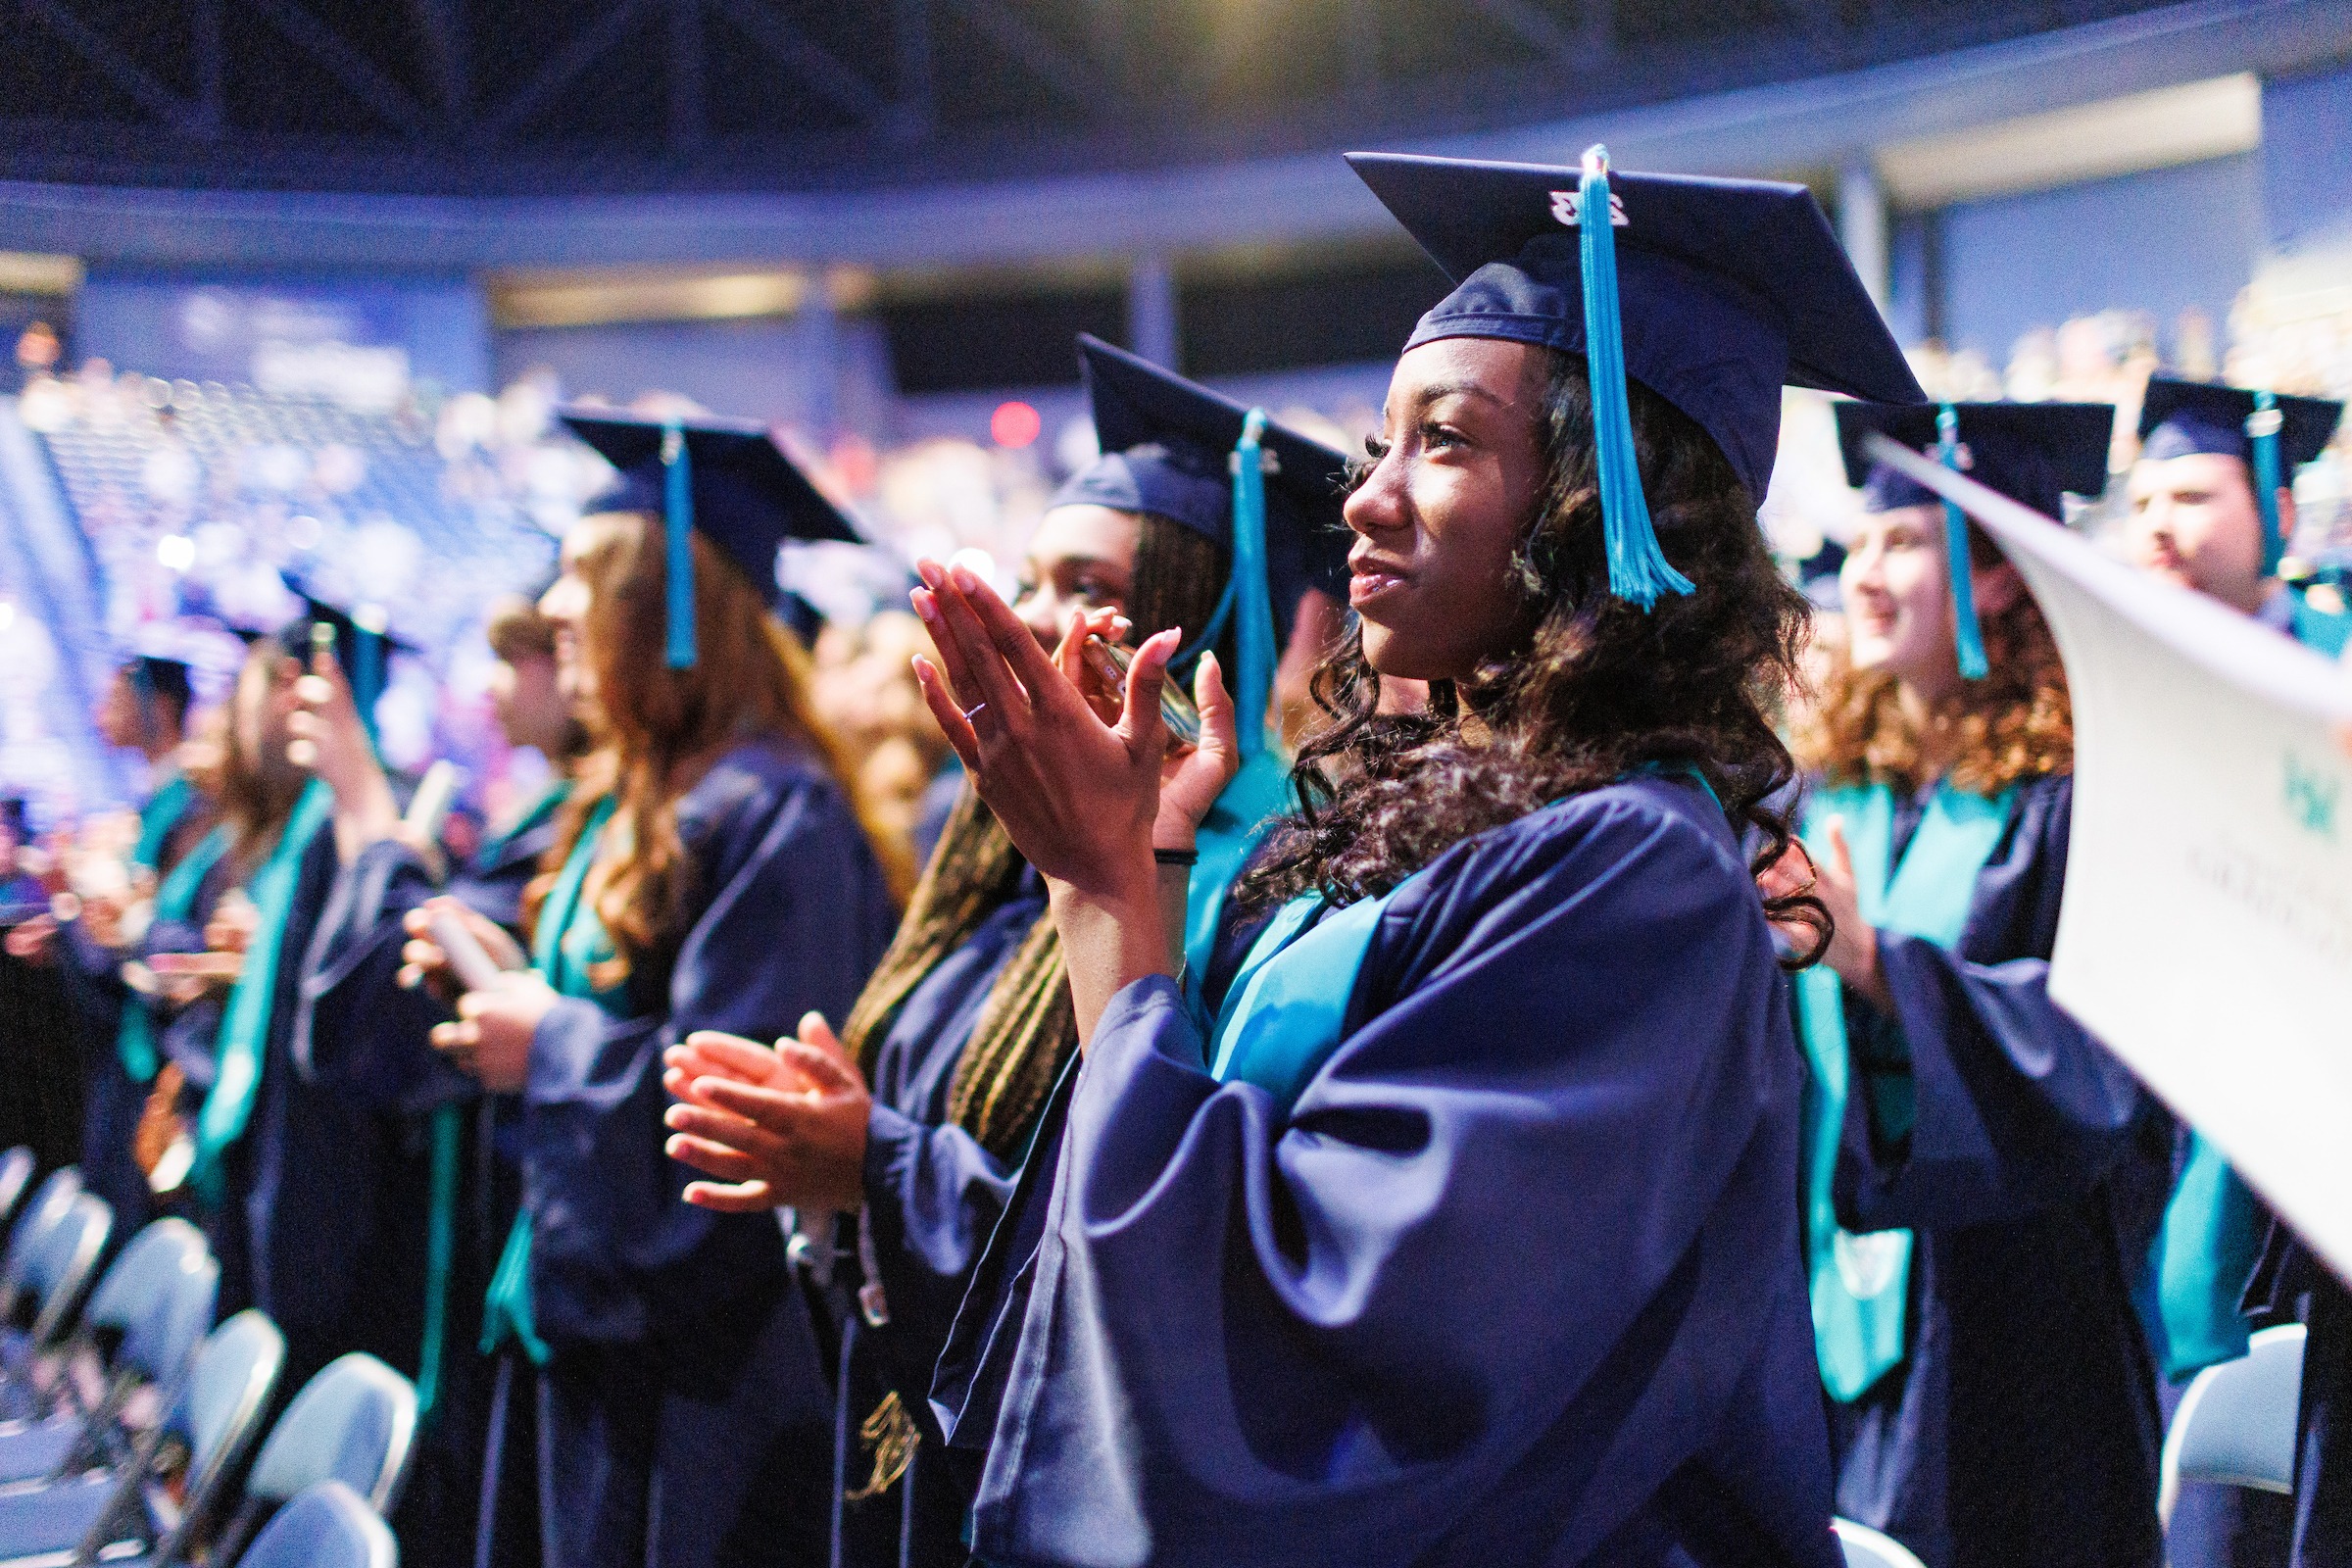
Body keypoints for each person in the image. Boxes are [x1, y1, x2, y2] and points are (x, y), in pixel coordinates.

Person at [896, 147, 1924, 1566]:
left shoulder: (1637, 875)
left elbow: (1334, 1340)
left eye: (1444, 442)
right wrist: (1153, 863)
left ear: (1605, 509)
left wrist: (1103, 890)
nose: (1368, 497)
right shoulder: (1421, 827)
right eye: (1383, 444)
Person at [659, 334, 1351, 1568]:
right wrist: (843, 1150)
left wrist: (873, 1163)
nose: (1030, 617)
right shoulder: (990, 864)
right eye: (1031, 574)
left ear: (1206, 615)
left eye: (1084, 580)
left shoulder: (1263, 898)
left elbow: (1172, 1242)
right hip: (912, 1455)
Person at [403, 410, 905, 1568]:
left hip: (700, 1387)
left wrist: (551, 1042)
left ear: (676, 608)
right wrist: (510, 983)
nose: (559, 609)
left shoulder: (781, 815)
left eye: (587, 577)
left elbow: (743, 1108)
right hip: (586, 1342)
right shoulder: (641, 799)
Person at [1786, 400, 2170, 1568]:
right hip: (1829, 1318)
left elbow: (2103, 1060)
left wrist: (1876, 965)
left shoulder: (2081, 795)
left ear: (1997, 574)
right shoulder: (1827, 796)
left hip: (2011, 1345)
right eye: (1860, 543)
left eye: (1902, 541)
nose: (1863, 572)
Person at [285, 593, 591, 1568]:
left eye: (518, 661)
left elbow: (377, 1012)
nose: (492, 691)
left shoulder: (611, 827)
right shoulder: (551, 818)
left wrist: (370, 811)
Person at [2127, 377, 2348, 653]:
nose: (2156, 525)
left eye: (2191, 498)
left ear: (2280, 515)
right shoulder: (2105, 668)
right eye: (2141, 505)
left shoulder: (2337, 662)